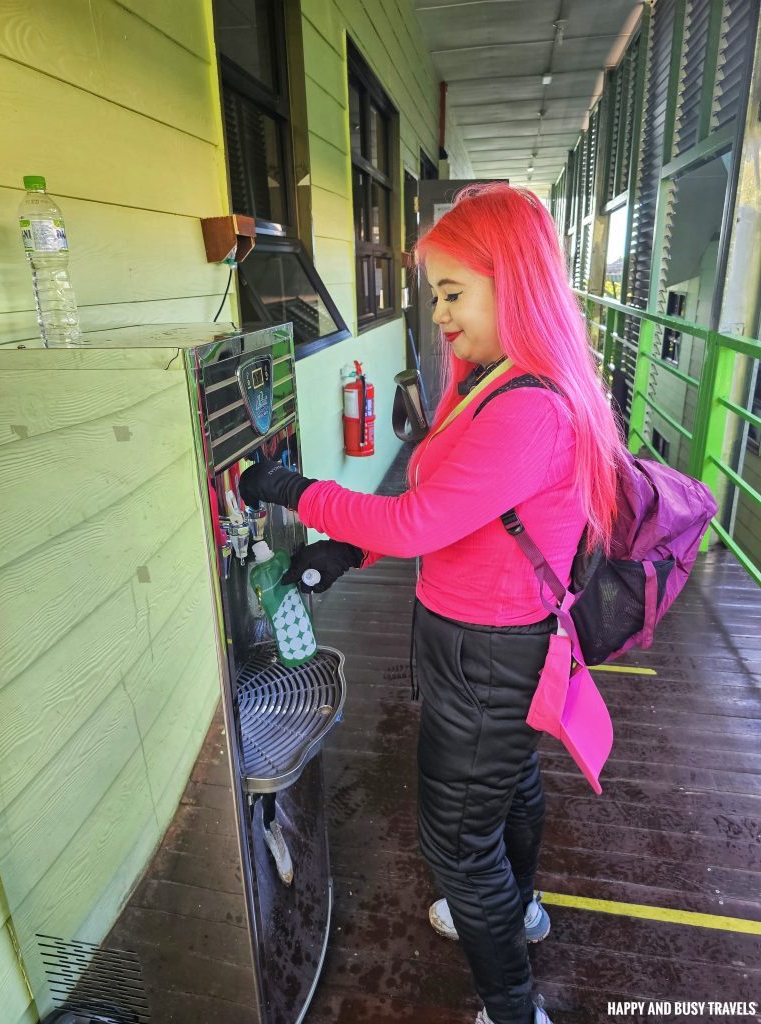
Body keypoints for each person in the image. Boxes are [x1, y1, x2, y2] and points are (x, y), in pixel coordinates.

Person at [239, 182, 624, 1024]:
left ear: (513, 281)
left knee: (456, 840)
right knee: (509, 787)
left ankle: (513, 1008)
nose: (441, 315)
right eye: (435, 295)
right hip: (487, 642)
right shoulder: (495, 383)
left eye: (454, 293)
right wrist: (348, 549)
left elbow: (419, 520)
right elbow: (453, 516)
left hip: (487, 652)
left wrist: (296, 492)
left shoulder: (526, 409)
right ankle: (515, 910)